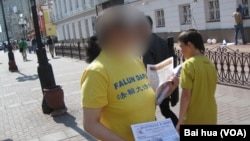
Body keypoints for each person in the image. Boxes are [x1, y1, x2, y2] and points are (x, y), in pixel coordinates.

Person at [81, 6, 179, 141]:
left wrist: (164, 92)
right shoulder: (96, 72)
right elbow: (90, 124)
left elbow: (142, 101)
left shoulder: (134, 59)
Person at [176, 29, 217, 132]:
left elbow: (186, 96)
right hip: (211, 114)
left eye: (181, 46)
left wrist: (180, 120)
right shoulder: (210, 63)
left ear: (189, 45)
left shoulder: (188, 65)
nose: (181, 50)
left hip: (194, 116)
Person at [143, 16, 179, 126]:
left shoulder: (144, 45)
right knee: (165, 110)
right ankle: (178, 128)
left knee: (149, 113)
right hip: (165, 82)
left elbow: (147, 67)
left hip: (151, 86)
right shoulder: (161, 41)